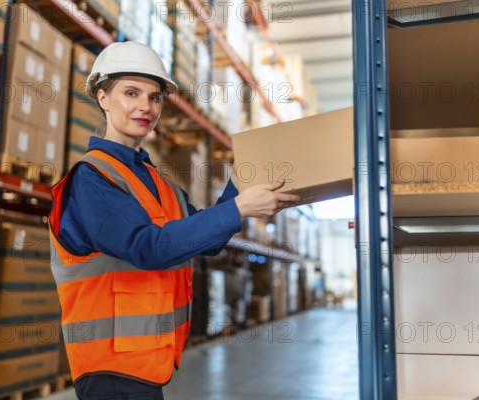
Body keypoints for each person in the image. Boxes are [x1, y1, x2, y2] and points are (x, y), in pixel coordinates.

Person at [48, 41, 300, 400]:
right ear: (102, 97)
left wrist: (248, 175)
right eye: (130, 93)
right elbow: (150, 247)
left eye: (154, 97)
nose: (145, 107)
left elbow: (207, 238)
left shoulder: (161, 184)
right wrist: (240, 208)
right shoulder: (92, 180)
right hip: (110, 368)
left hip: (149, 362)